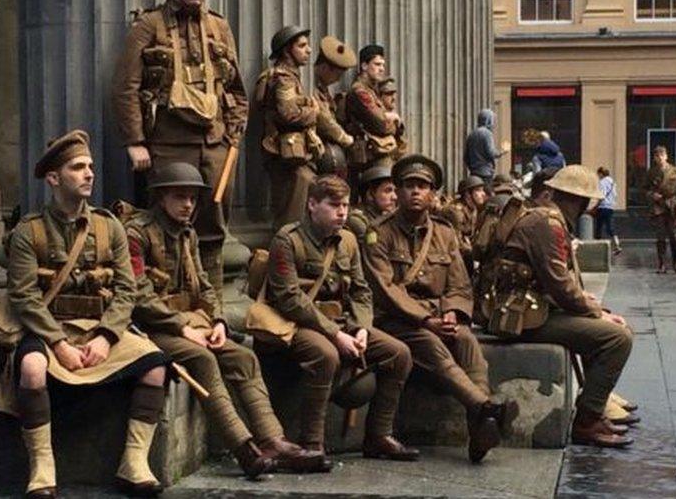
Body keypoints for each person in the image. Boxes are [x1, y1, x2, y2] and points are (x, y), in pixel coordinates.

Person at [125, 162, 325, 478]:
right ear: (161, 197)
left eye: (192, 198)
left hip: (192, 324)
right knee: (203, 358)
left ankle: (273, 440)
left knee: (243, 357)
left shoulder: (186, 233)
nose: (188, 205)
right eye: (180, 197)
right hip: (150, 329)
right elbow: (138, 295)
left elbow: (205, 283)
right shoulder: (137, 235)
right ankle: (244, 448)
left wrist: (218, 320)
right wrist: (183, 328)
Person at [0, 130, 170, 498]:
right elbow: (24, 295)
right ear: (54, 178)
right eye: (78, 168)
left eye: (90, 166)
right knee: (31, 368)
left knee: (155, 364)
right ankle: (42, 465)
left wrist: (107, 337)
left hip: (99, 329)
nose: (89, 173)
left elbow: (128, 289)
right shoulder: (29, 231)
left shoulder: (110, 227)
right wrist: (59, 344)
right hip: (49, 328)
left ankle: (135, 461)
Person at [112, 0, 248, 298]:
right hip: (168, 143)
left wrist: (233, 136)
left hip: (215, 143)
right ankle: (164, 305)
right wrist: (135, 141)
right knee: (165, 227)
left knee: (214, 227)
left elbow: (236, 89)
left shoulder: (219, 26)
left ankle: (211, 305)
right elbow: (126, 87)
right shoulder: (149, 25)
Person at [364, 155, 516, 464]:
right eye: (408, 186)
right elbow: (386, 289)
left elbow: (459, 285)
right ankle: (485, 408)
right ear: (398, 191)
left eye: (423, 186)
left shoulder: (445, 234)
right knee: (432, 345)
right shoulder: (378, 233)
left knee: (467, 340)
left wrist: (453, 314)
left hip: (437, 316)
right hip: (395, 320)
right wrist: (427, 320)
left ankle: (480, 426)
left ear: (433, 194)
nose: (415, 192)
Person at [263, 175, 419, 463]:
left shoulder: (347, 240)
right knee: (326, 356)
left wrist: (361, 328)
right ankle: (312, 443)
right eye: (334, 205)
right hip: (297, 323)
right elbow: (289, 299)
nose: (342, 212)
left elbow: (361, 291)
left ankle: (378, 436)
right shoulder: (288, 240)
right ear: (312, 204)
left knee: (399, 353)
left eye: (345, 205)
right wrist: (335, 334)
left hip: (343, 323)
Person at [478, 165, 634, 448]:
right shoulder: (547, 223)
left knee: (600, 326)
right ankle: (587, 421)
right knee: (617, 338)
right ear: (581, 201)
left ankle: (594, 409)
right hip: (520, 318)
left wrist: (594, 310)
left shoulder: (545, 217)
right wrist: (596, 313)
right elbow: (559, 284)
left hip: (528, 310)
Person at [256, 25, 321, 232]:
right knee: (291, 216)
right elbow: (289, 114)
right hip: (286, 155)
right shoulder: (284, 78)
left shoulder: (287, 76)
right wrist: (314, 111)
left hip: (288, 154)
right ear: (286, 51)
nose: (308, 50)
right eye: (302, 46)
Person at [343, 44, 403, 200]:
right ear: (364, 65)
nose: (382, 68)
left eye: (383, 65)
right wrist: (392, 119)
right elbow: (381, 124)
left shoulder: (371, 91)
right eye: (377, 64)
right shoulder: (359, 91)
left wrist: (390, 120)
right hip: (367, 155)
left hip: (374, 153)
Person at [312, 36, 357, 177]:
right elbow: (323, 119)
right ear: (325, 67)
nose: (338, 79)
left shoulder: (323, 89)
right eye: (337, 74)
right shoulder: (310, 87)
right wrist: (345, 139)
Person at [645, 146, 676, 273]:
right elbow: (645, 188)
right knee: (660, 236)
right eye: (657, 156)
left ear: (666, 156)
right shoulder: (651, 172)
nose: (660, 158)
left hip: (673, 205)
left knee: (674, 236)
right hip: (658, 206)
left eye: (662, 155)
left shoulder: (675, 170)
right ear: (654, 158)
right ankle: (661, 264)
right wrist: (652, 195)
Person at [441, 176, 489, 277]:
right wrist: (474, 252)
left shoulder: (473, 208)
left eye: (482, 190)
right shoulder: (455, 212)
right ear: (468, 194)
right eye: (478, 190)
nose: (483, 194)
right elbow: (455, 242)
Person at [345, 166, 397, 246]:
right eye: (387, 191)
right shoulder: (357, 220)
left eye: (395, 191)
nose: (394, 197)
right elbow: (374, 247)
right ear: (370, 194)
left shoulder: (385, 216)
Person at [464, 109, 507, 184]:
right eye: (492, 120)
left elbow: (466, 157)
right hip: (485, 173)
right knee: (486, 194)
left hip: (474, 173)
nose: (494, 123)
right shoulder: (487, 133)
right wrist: (502, 151)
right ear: (489, 120)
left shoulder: (472, 134)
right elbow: (491, 153)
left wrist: (472, 168)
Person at [594, 167, 622, 255]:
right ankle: (617, 245)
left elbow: (601, 195)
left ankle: (596, 247)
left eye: (598, 174)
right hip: (610, 207)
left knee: (598, 227)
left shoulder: (602, 182)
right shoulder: (613, 182)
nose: (597, 176)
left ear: (601, 173)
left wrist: (595, 206)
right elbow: (615, 194)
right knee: (610, 227)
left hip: (602, 207)